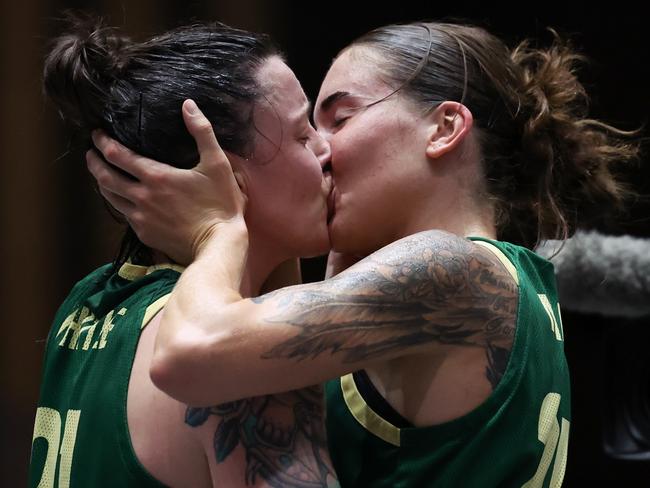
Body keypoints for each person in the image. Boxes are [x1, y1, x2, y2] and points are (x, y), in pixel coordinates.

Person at [88, 21, 641, 487]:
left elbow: (193, 355)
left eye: (339, 118)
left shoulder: (452, 272)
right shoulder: (480, 277)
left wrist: (216, 228)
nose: (319, 150)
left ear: (444, 128)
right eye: (307, 128)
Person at [30, 16, 338, 488]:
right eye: (303, 134)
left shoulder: (84, 302)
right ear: (227, 178)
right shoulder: (237, 359)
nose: (327, 150)